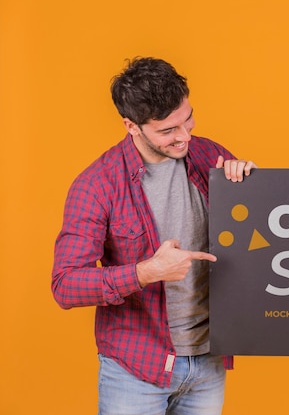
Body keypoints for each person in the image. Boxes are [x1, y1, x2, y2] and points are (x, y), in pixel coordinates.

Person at [52, 57, 256, 415]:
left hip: (208, 359)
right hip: (136, 367)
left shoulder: (210, 155)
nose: (185, 136)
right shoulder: (96, 185)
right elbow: (66, 284)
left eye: (187, 119)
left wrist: (252, 185)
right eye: (168, 130)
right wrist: (146, 271)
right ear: (132, 126)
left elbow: (259, 237)